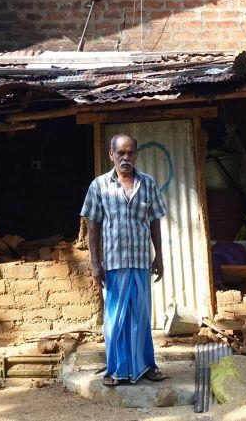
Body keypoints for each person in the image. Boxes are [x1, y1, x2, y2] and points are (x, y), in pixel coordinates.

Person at [80, 133, 168, 386]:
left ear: (136, 155)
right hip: (114, 264)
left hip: (140, 262)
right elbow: (93, 228)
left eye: (130, 153)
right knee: (115, 317)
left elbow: (155, 223)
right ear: (112, 155)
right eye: (121, 153)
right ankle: (116, 370)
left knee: (140, 317)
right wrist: (95, 263)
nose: (126, 158)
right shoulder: (99, 186)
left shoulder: (148, 184)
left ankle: (146, 366)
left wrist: (159, 257)